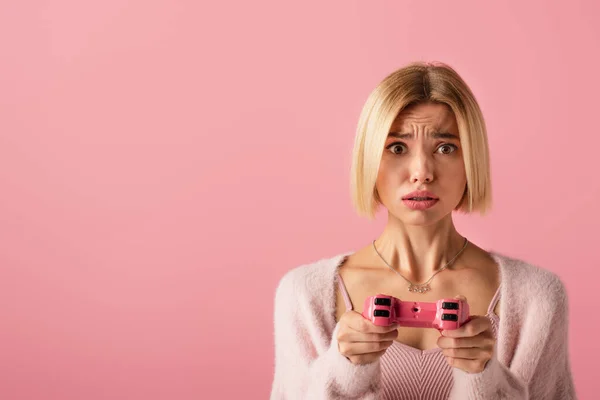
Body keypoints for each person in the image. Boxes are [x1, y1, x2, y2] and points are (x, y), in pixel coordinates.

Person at [269, 61, 577, 400]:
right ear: (369, 159)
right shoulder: (304, 295)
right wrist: (343, 373)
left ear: (471, 161)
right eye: (397, 147)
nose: (422, 172)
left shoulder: (538, 298)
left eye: (446, 148)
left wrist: (483, 380)